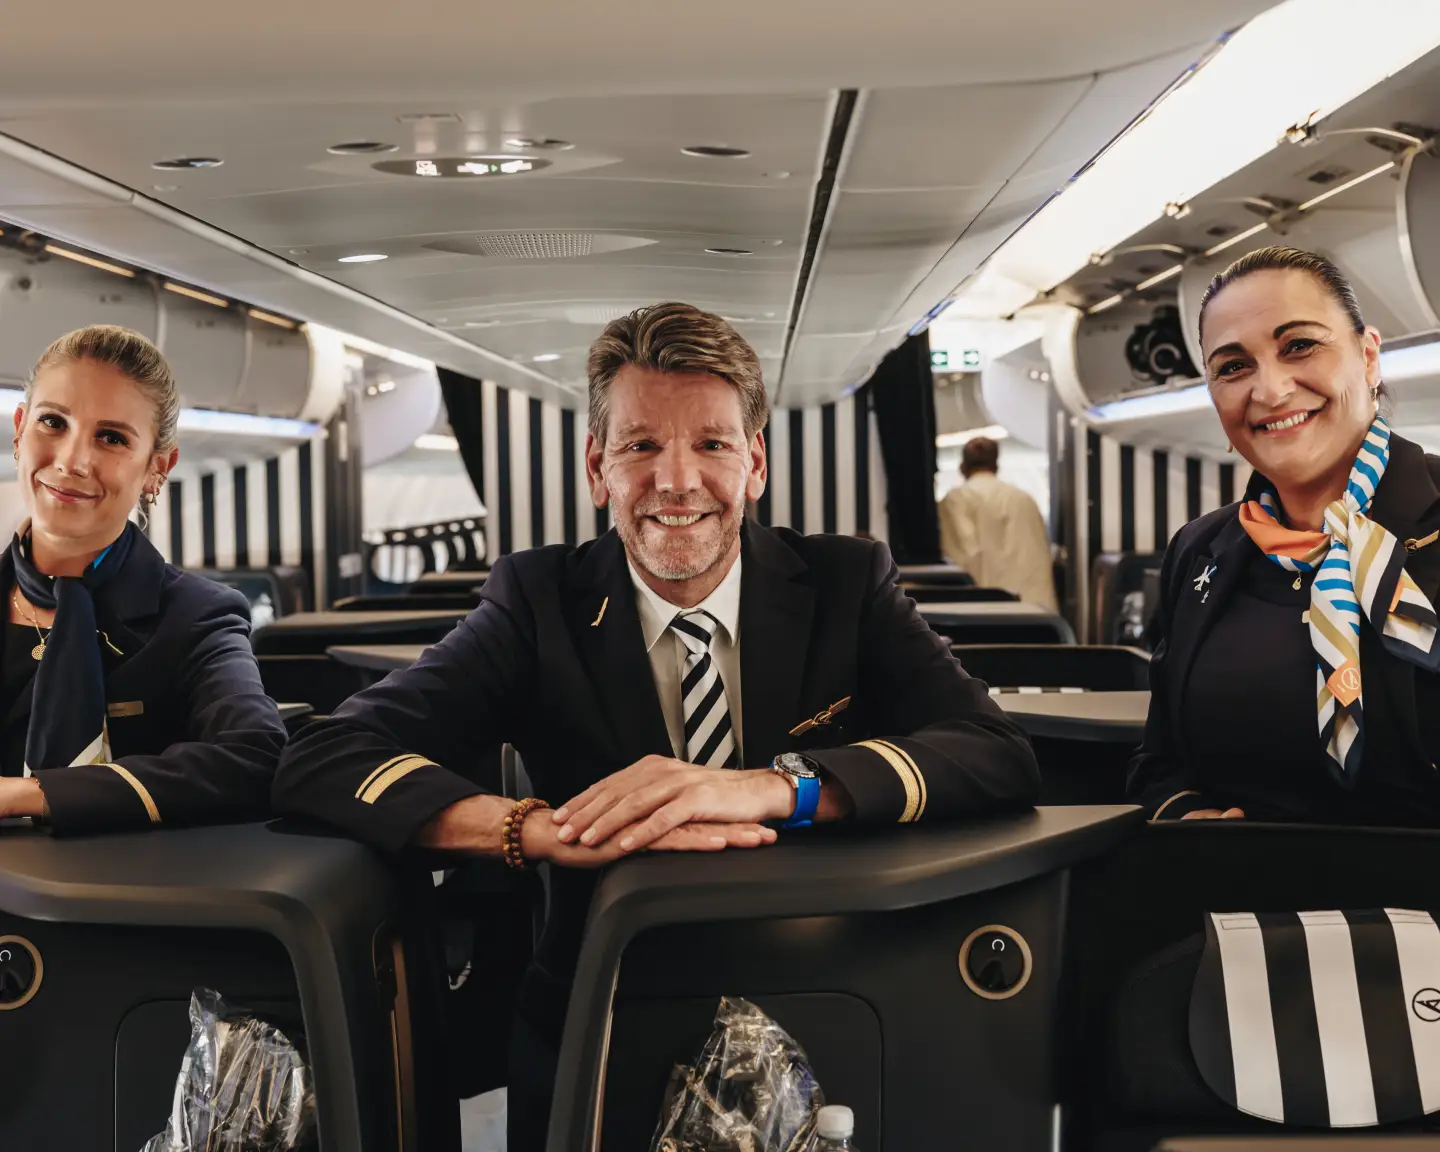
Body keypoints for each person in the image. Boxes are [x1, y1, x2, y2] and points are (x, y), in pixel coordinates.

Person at [272, 301, 1040, 1149]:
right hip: (598, 1020)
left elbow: (993, 752)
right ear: (598, 469)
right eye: (641, 446)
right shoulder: (538, 603)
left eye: (711, 444)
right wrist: (532, 829)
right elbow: (322, 756)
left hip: (827, 1002)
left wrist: (776, 790)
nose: (676, 481)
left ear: (754, 465)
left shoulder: (845, 585)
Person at [1129, 247, 1440, 824]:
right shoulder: (1200, 551)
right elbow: (1159, 760)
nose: (1270, 391)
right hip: (1238, 900)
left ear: (1369, 357)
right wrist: (1186, 814)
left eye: (1299, 345)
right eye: (1232, 367)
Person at [0, 325, 286, 831]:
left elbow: (253, 757)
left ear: (157, 467)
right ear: (20, 430)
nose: (71, 461)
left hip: (116, 902)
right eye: (53, 422)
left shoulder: (197, 615)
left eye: (111, 437)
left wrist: (25, 795)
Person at [937, 436, 1058, 610]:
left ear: (962, 468)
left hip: (990, 615)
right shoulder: (1024, 499)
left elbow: (962, 563)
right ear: (996, 466)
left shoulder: (956, 500)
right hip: (1037, 615)